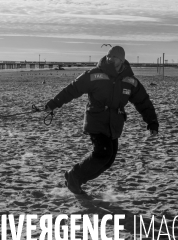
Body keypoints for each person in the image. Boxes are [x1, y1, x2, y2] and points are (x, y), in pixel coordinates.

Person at [44, 46, 158, 195]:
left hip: (114, 124)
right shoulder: (94, 75)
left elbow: (143, 101)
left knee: (108, 159)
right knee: (102, 153)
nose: (110, 59)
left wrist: (152, 121)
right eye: (109, 56)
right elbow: (73, 89)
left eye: (114, 57)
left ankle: (75, 179)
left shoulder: (129, 80)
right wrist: (54, 103)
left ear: (122, 60)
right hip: (96, 121)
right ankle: (74, 176)